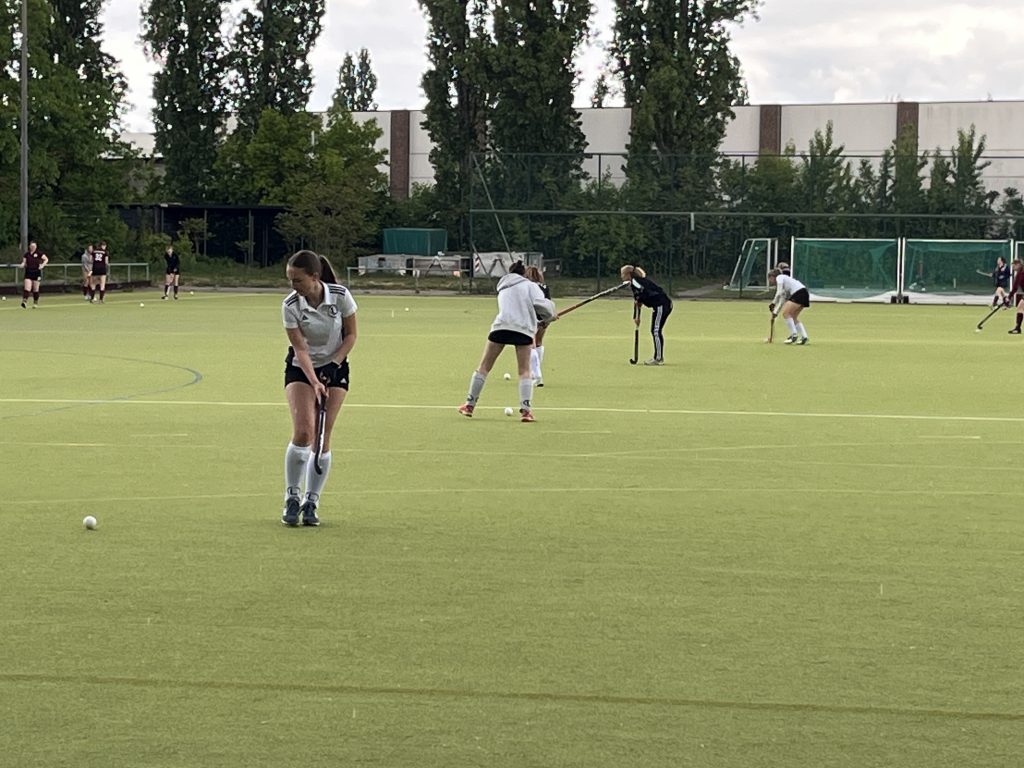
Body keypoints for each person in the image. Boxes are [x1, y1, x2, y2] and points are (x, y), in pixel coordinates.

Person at [280, 249, 358, 526]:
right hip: (301, 369)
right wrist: (314, 380)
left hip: (335, 367)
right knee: (304, 431)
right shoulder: (290, 305)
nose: (293, 286)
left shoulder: (340, 296)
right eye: (290, 280)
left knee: (322, 438)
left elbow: (351, 335)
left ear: (314, 277)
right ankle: (291, 496)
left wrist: (333, 366)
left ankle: (311, 501)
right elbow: (300, 348)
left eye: (297, 280)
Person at [458, 260, 555, 422]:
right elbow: (543, 307)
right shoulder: (531, 287)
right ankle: (526, 411)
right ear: (524, 274)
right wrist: (550, 316)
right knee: (524, 371)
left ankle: (469, 405)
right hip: (523, 330)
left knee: (483, 367)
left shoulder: (503, 286)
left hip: (501, 327)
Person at [620, 264, 673, 365]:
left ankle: (658, 358)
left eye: (622, 274)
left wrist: (639, 299)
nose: (621, 277)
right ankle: (658, 357)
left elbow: (643, 292)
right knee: (655, 330)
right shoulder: (634, 283)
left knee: (656, 331)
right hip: (659, 306)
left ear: (628, 274)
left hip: (662, 305)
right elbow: (637, 301)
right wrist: (637, 317)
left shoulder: (636, 282)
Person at [768, 267, 810, 344]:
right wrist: (775, 313)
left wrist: (773, 303)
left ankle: (793, 335)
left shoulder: (780, 277)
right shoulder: (785, 285)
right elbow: (782, 300)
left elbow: (778, 293)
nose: (769, 281)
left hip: (799, 293)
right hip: (804, 293)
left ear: (773, 276)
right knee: (793, 317)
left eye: (769, 278)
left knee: (786, 313)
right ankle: (804, 337)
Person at [525, 265, 550, 386]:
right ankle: (536, 371)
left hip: (531, 318)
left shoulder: (527, 287)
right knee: (539, 342)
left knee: (531, 345)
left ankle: (536, 374)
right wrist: (549, 318)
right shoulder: (545, 287)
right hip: (544, 317)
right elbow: (548, 303)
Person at [18, 241, 48, 308]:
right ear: (29, 246)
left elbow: (46, 259)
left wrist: (42, 265)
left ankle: (35, 302)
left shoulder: (39, 253)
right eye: (32, 246)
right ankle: (24, 302)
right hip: (28, 272)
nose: (33, 247)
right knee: (27, 288)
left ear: (36, 247)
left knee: (35, 289)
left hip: (36, 273)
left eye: (34, 246)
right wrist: (22, 265)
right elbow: (24, 262)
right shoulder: (27, 254)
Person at [1007, 259, 1024, 334]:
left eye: (1014, 265)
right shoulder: (1018, 274)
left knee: (1020, 307)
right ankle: (1017, 328)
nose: (1013, 267)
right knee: (1020, 307)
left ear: (1019, 265)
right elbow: (1015, 288)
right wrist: (1009, 297)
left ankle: (1017, 328)